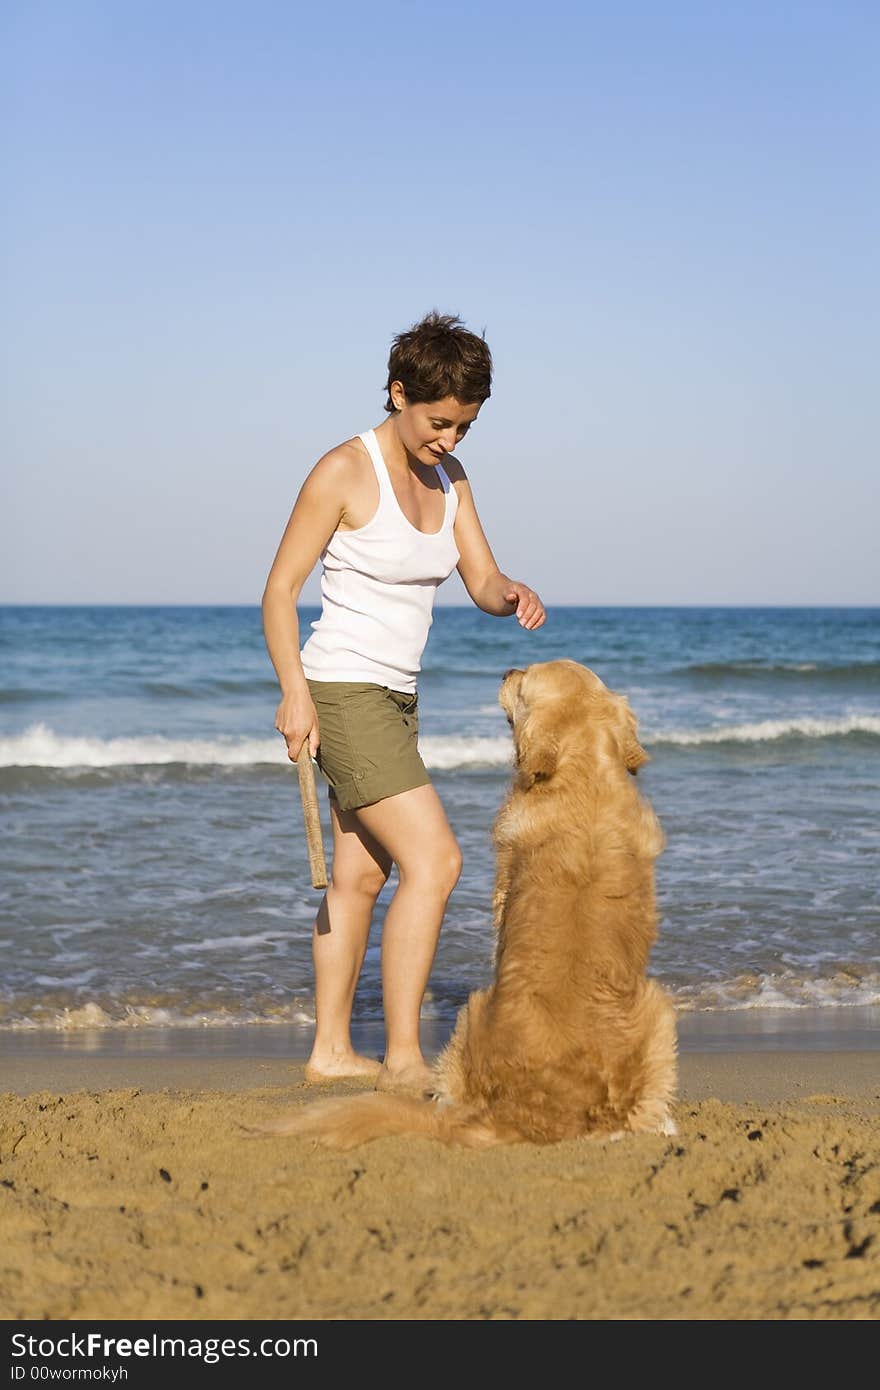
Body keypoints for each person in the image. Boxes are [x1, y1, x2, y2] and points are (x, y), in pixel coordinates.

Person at [261, 310, 546, 1094]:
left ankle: (328, 1052)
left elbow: (480, 580)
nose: (451, 440)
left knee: (360, 879)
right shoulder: (343, 471)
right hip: (341, 688)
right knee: (438, 861)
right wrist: (294, 693)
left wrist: (509, 592)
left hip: (397, 697)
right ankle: (404, 1058)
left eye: (465, 426)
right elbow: (280, 590)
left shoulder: (452, 481)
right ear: (397, 393)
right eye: (439, 422)